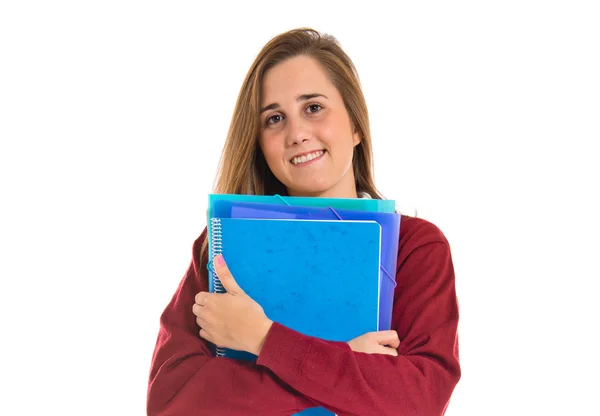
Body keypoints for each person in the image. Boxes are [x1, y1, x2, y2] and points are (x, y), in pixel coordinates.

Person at [147, 28, 460, 416]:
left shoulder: (416, 247)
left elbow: (418, 401)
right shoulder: (221, 245)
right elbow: (172, 404)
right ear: (259, 143)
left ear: (356, 125)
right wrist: (344, 360)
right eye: (274, 118)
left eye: (313, 107)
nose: (296, 134)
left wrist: (264, 340)